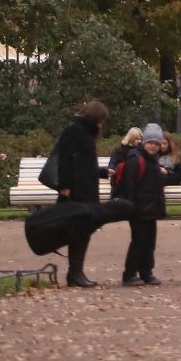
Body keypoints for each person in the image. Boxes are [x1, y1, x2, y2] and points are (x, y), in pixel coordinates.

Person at [46, 100, 108, 288]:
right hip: (77, 191)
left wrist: (102, 172)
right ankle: (75, 273)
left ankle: (77, 272)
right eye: (101, 120)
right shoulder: (76, 131)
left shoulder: (85, 132)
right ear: (95, 118)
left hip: (85, 189)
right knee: (79, 231)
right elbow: (64, 158)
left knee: (83, 231)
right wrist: (64, 186)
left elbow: (84, 164)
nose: (102, 125)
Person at [111, 123, 174, 286]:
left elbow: (156, 184)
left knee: (149, 242)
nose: (153, 146)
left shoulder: (153, 161)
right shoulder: (135, 159)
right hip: (138, 209)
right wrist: (133, 206)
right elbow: (130, 185)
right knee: (139, 241)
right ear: (144, 142)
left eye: (156, 143)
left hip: (151, 209)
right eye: (150, 143)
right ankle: (129, 273)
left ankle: (146, 272)